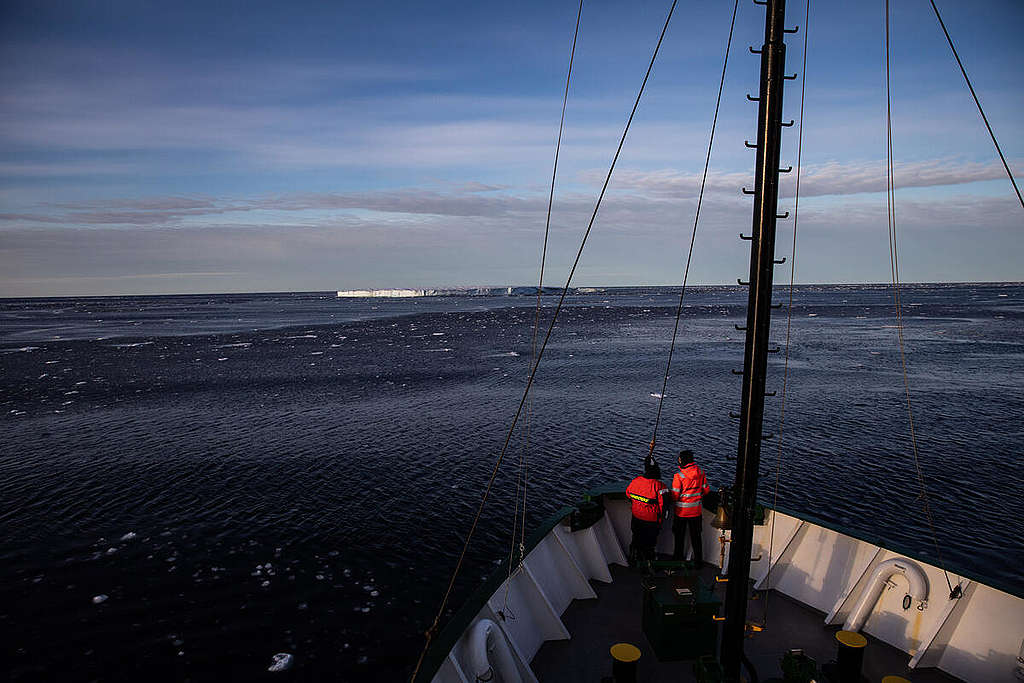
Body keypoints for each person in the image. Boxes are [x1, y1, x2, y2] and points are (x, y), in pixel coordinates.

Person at [626, 456, 670, 564]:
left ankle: (633, 560)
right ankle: (648, 564)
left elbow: (628, 494)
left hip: (636, 518)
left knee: (636, 539)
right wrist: (661, 521)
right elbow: (664, 506)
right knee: (649, 544)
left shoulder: (635, 482)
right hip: (651, 521)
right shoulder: (660, 486)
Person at [671, 449, 710, 567]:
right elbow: (706, 490)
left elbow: (675, 496)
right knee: (696, 538)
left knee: (679, 537)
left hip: (681, 513)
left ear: (682, 460)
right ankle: (698, 562)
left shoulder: (679, 476)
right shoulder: (701, 472)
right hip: (696, 512)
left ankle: (678, 560)